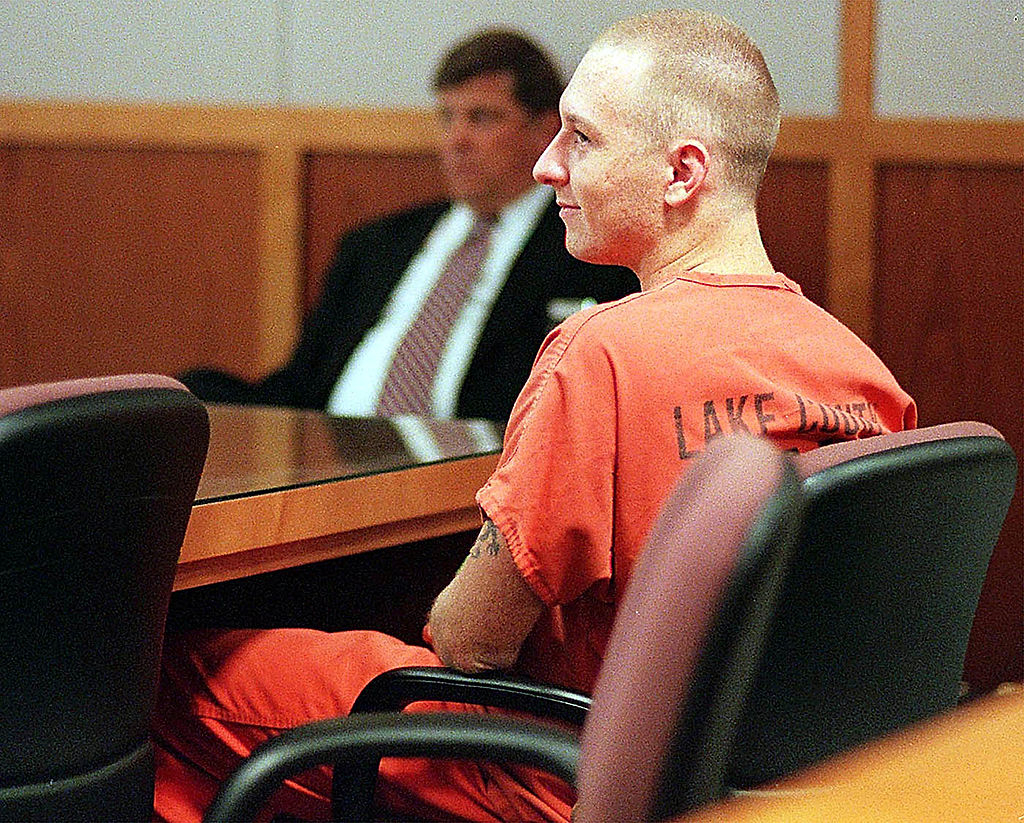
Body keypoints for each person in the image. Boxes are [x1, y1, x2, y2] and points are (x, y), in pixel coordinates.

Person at [153, 9, 917, 822]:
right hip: (766, 779)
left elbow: (468, 640)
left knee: (167, 676)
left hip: (559, 768)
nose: (548, 165)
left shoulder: (600, 352)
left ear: (682, 172)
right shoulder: (861, 371)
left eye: (581, 138)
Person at [180, 29, 636, 424]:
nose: (456, 139)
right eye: (447, 117)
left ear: (546, 130)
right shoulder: (375, 245)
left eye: (481, 118)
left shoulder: (589, 250)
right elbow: (302, 386)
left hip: (477, 468)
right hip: (331, 452)